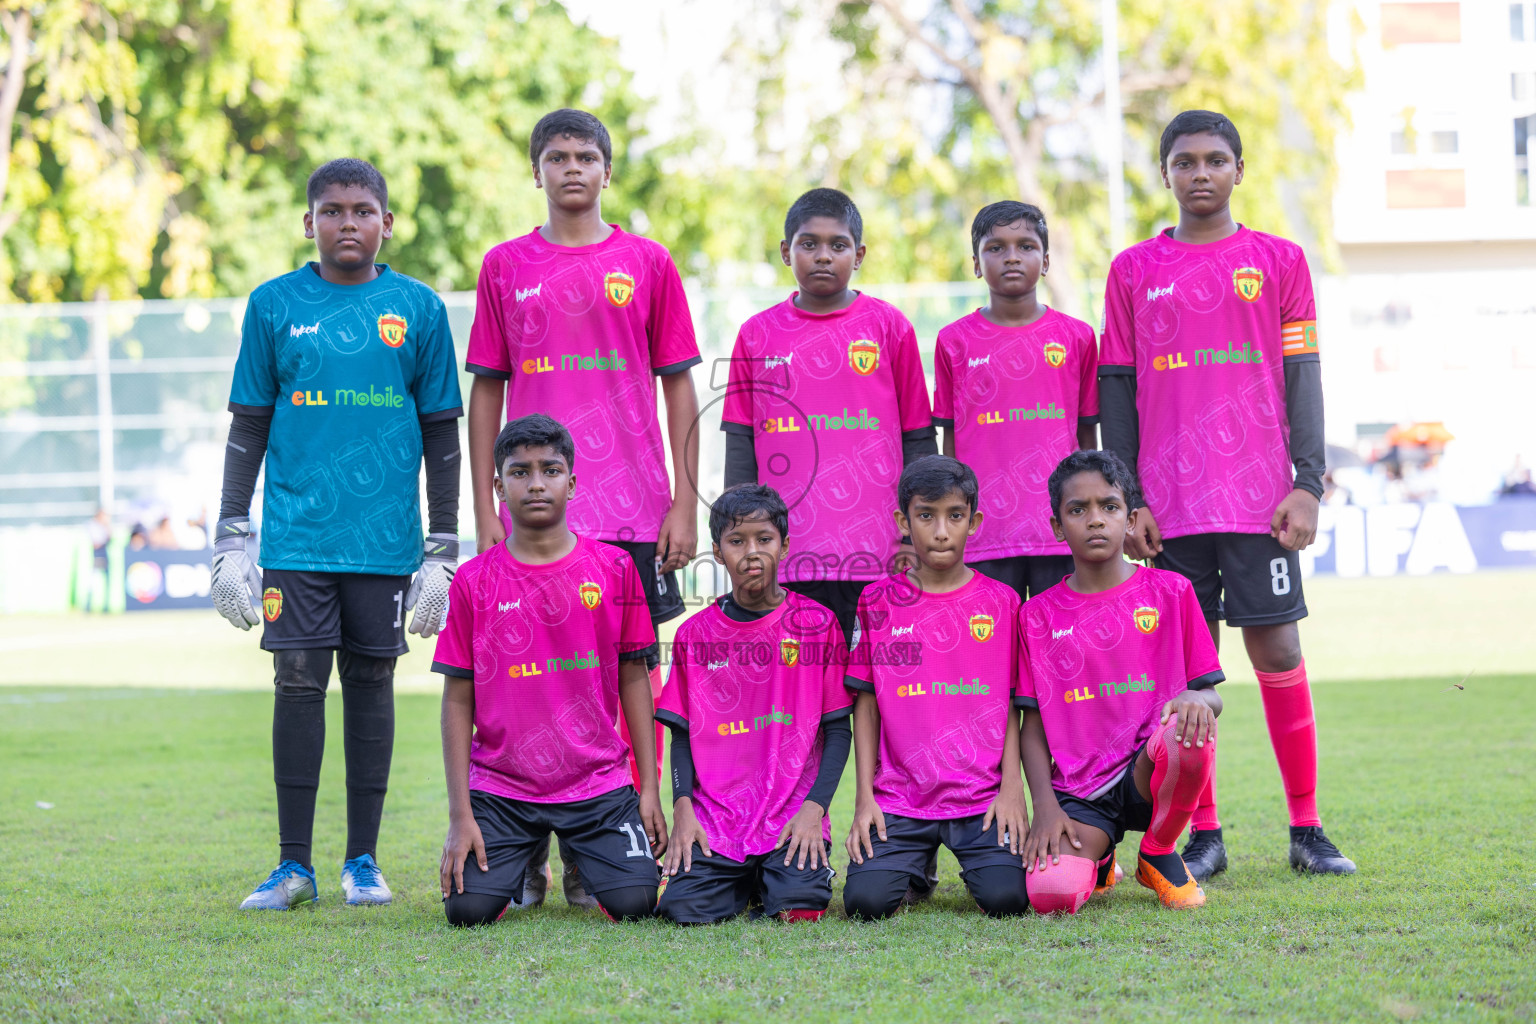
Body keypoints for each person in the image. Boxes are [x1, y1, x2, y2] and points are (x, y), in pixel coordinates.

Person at [1099, 109, 1355, 879]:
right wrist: (1128, 496)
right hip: (1167, 509)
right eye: (1185, 161)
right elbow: (1116, 390)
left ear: (1239, 170)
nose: (1200, 173)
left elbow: (1302, 376)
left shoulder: (1278, 260)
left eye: (1215, 159)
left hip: (1259, 502)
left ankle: (1307, 829)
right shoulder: (1133, 270)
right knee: (1186, 677)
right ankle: (1200, 832)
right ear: (1167, 172)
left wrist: (1308, 482)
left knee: (1278, 648)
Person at [211, 158, 463, 910]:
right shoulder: (273, 305)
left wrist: (443, 548)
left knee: (371, 683)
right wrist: (231, 535)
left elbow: (442, 433)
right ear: (309, 221)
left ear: (387, 223)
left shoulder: (417, 308)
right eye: (331, 210)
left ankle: (363, 860)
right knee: (296, 683)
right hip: (296, 539)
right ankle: (293, 866)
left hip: (384, 543)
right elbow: (249, 423)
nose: (346, 222)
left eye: (361, 210)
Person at [463, 108, 700, 908]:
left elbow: (678, 385)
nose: (572, 168)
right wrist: (484, 510)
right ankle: (517, 848)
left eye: (587, 155)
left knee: (628, 677)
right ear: (536, 171)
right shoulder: (504, 265)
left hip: (630, 513)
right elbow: (485, 392)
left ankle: (611, 849)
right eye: (557, 156)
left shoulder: (648, 262)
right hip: (527, 517)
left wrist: (682, 502)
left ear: (607, 170)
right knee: (517, 680)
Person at [434, 414, 667, 926]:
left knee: (636, 904)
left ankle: (583, 857)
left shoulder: (615, 569)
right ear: (499, 486)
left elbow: (634, 679)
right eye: (520, 472)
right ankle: (524, 858)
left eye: (550, 469)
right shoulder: (473, 580)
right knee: (467, 911)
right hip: (502, 786)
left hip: (597, 781)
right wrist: (460, 815)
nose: (536, 483)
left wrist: (647, 788)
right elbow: (456, 697)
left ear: (572, 481)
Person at [721, 188, 937, 647]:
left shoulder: (890, 327)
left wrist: (912, 536)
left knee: (878, 685)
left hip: (879, 554)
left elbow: (919, 441)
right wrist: (740, 537)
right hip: (787, 554)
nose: (823, 256)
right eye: (808, 244)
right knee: (800, 689)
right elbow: (740, 444)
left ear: (858, 255)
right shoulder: (756, 334)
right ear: (786, 251)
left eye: (837, 245)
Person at [1018, 450, 1223, 913]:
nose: (1095, 520)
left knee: (1187, 736)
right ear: (1056, 526)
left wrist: (1196, 697)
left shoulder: (1172, 592)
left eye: (1108, 507)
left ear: (1129, 519)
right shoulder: (1036, 615)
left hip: (1150, 774)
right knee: (1052, 896)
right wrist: (1045, 807)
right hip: (1080, 790)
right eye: (1078, 510)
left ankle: (1159, 850)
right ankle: (1102, 857)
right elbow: (1031, 724)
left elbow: (1211, 696)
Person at [840, 455, 1029, 920]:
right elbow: (865, 704)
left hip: (981, 799)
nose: (941, 531)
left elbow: (1011, 705)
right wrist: (866, 797)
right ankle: (915, 867)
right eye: (926, 516)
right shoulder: (876, 601)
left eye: (955, 516)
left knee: (1007, 900)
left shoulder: (1003, 602)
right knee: (865, 904)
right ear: (904, 522)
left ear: (974, 521)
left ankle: (962, 858)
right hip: (899, 798)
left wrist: (1010, 790)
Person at [655, 484, 853, 925]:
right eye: (737, 541)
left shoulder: (817, 625)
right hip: (717, 821)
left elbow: (839, 730)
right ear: (717, 551)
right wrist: (683, 808)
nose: (752, 552)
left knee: (801, 911)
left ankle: (774, 876)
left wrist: (813, 810)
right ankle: (740, 877)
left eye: (764, 539)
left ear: (784, 545)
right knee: (681, 910)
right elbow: (681, 734)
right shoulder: (694, 635)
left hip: (790, 816)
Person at [932, 201, 1099, 603]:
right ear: (975, 262)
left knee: (1063, 651)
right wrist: (958, 518)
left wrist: (1087, 511)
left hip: (1060, 531)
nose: (1011, 257)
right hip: (986, 533)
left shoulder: (1077, 337)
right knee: (993, 655)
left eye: (1025, 246)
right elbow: (951, 445)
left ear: (1045, 262)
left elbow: (1087, 438)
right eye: (996, 247)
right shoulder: (954, 341)